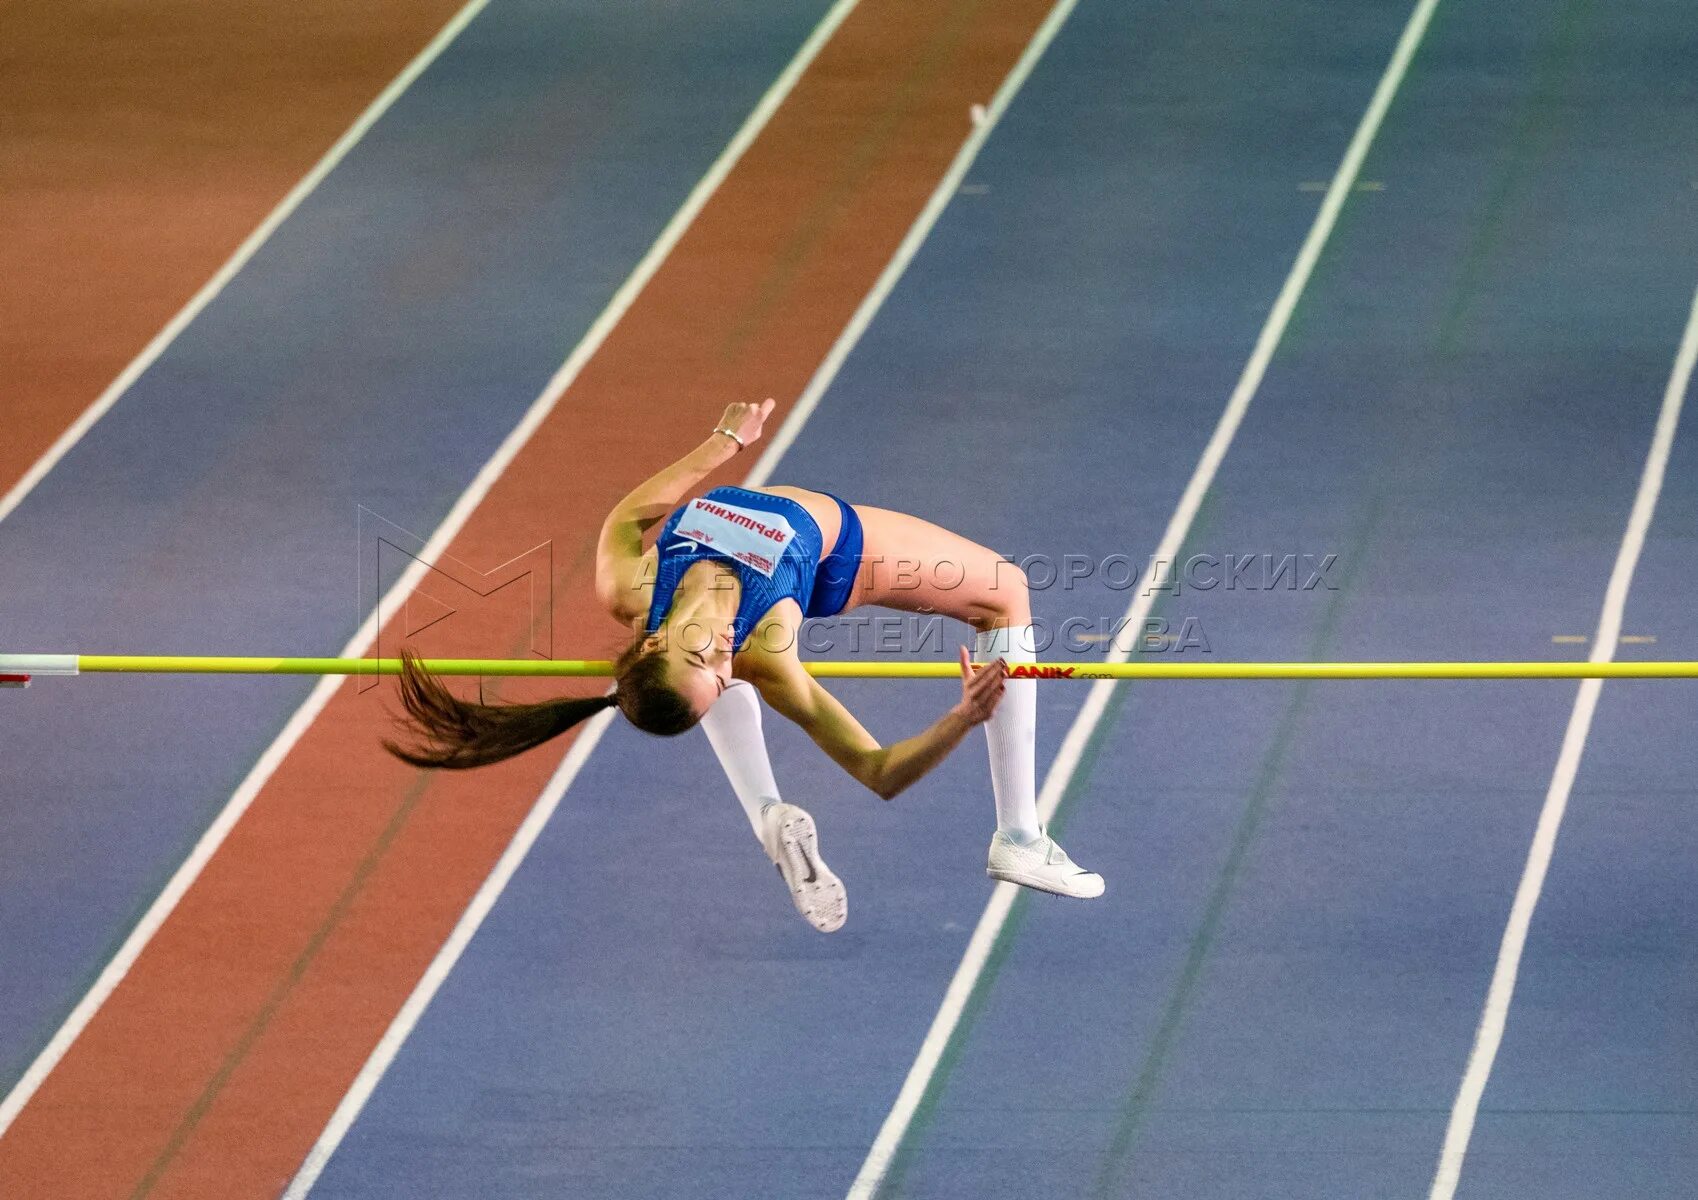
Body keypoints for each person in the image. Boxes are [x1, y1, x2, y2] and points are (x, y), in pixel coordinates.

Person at [385, 399, 1104, 931]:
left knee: (713, 677)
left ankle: (767, 815)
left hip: (739, 562)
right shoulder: (764, 649)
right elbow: (880, 773)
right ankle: (1019, 837)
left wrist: (723, 441)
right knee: (1006, 593)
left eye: (704, 654)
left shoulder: (632, 590)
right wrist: (960, 717)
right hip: (842, 555)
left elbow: (627, 517)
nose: (724, 654)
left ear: (654, 641)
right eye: (719, 670)